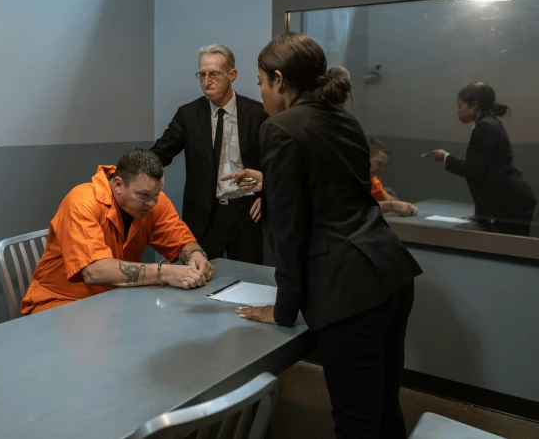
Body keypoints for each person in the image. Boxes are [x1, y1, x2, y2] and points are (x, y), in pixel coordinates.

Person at [230, 33, 422, 439]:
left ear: (279, 80)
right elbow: (335, 189)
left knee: (354, 421)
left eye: (261, 82)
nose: (260, 92)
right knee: (384, 404)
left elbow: (289, 229)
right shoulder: (343, 117)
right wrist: (272, 181)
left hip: (348, 289)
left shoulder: (278, 127)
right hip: (389, 271)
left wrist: (284, 309)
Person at [21, 148, 214, 315]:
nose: (152, 202)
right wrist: (164, 273)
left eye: (157, 193)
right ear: (118, 185)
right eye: (144, 195)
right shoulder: (81, 201)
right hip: (62, 302)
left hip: (115, 300)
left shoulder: (155, 202)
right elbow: (94, 271)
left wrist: (196, 256)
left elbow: (181, 242)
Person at [151, 45, 269, 264]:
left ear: (231, 75)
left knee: (247, 280)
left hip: (245, 213)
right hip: (204, 215)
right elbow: (160, 153)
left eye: (214, 74)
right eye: (202, 74)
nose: (207, 81)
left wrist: (267, 195)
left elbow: (273, 162)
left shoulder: (257, 113)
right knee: (199, 278)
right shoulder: (188, 115)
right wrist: (131, 171)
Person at [423, 82, 537, 236]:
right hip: (513, 202)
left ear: (474, 105)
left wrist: (445, 158)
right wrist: (481, 216)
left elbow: (474, 170)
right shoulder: (490, 123)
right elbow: (484, 173)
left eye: (460, 105)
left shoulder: (485, 127)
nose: (458, 111)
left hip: (512, 204)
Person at [367, 137, 418, 216]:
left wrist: (403, 205)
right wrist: (392, 205)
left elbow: (383, 196)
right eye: (378, 163)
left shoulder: (370, 177)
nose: (381, 169)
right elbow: (358, 207)